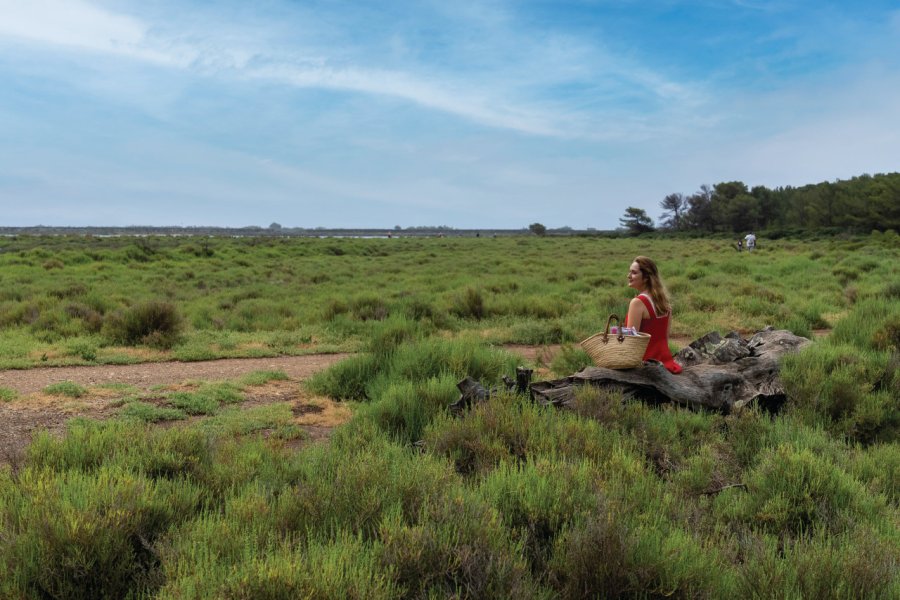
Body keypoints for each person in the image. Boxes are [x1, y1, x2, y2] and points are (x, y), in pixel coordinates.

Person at [625, 256, 683, 374]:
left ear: (646, 277)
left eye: (634, 272)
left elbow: (631, 342)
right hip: (665, 362)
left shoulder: (637, 302)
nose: (629, 276)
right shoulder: (664, 302)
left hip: (644, 363)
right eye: (630, 272)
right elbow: (664, 339)